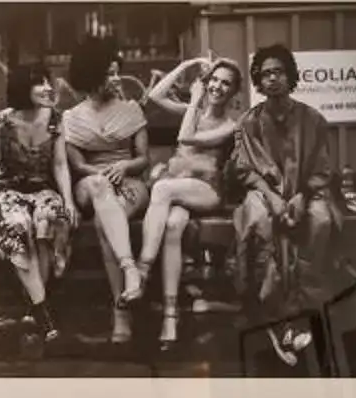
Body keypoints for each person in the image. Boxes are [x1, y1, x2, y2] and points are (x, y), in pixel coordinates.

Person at [136, 54, 248, 347]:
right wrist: (188, 66)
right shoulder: (192, 110)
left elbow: (186, 138)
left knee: (161, 190)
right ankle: (170, 319)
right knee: (173, 226)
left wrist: (195, 100)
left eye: (226, 84)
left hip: (206, 190)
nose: (218, 87)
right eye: (214, 80)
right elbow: (155, 95)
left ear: (234, 92)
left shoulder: (231, 125)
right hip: (179, 190)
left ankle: (142, 270)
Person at [232, 41, 344, 309]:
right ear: (259, 81)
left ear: (290, 75)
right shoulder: (249, 122)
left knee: (321, 219)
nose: (272, 78)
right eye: (265, 74)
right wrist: (272, 196)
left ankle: (309, 288)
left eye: (278, 72)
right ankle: (264, 290)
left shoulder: (313, 119)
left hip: (307, 189)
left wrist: (302, 196)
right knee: (256, 217)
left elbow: (321, 169)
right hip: (264, 191)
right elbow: (245, 170)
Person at [59, 36, 153, 341]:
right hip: (91, 184)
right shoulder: (72, 117)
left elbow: (142, 160)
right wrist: (101, 172)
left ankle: (121, 312)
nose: (115, 79)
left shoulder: (130, 110)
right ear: (90, 75)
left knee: (105, 222)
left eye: (117, 72)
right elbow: (76, 165)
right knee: (99, 186)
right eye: (108, 73)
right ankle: (130, 268)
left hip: (129, 183)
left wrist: (124, 167)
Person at [0, 62, 73, 345]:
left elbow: (59, 164)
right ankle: (42, 312)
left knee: (48, 219)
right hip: (10, 191)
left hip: (43, 189)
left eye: (47, 81)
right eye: (38, 83)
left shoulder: (56, 119)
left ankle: (34, 305)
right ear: (22, 88)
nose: (47, 87)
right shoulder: (0, 122)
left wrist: (68, 201)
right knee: (19, 224)